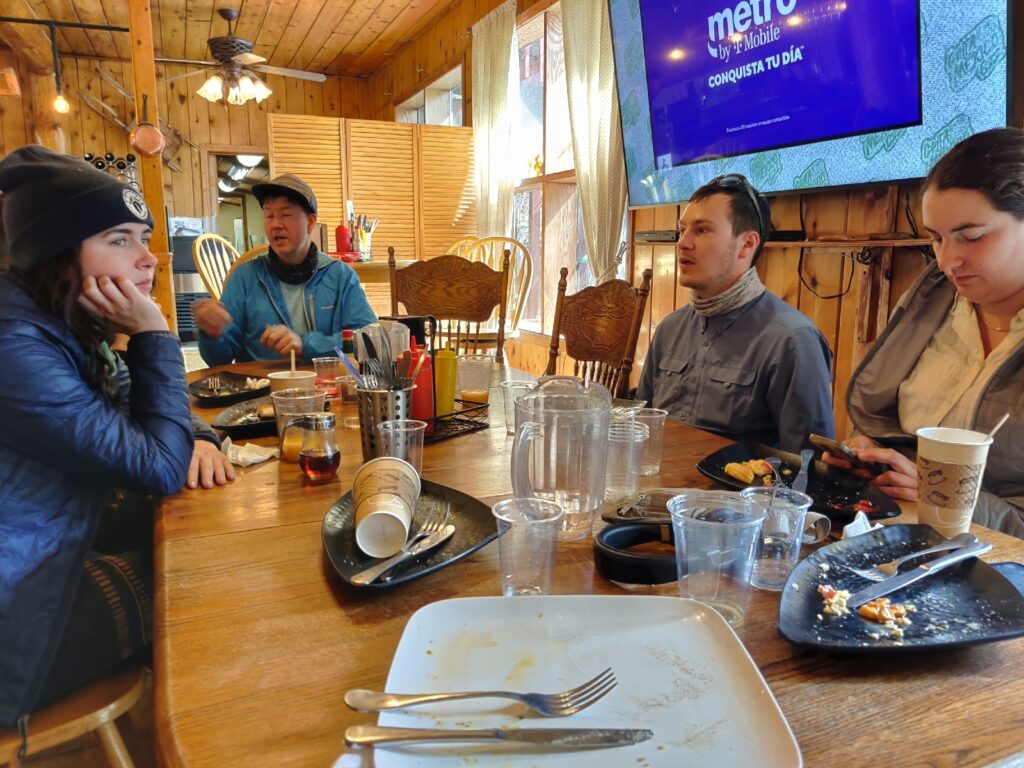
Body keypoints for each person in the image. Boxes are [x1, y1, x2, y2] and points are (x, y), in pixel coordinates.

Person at [0, 146, 234, 735]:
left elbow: (134, 397)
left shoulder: (59, 320)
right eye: (119, 239)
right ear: (57, 250)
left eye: (143, 237)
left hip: (49, 560)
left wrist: (200, 433)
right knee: (201, 585)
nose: (148, 259)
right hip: (17, 630)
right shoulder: (15, 346)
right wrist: (157, 332)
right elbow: (157, 464)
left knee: (199, 541)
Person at [832, 127, 1024, 539]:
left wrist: (943, 494)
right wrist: (870, 453)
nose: (947, 261)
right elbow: (886, 423)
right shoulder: (935, 299)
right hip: (896, 537)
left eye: (971, 237)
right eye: (936, 239)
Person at [636, 174, 835, 452]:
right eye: (682, 230)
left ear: (747, 244)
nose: (683, 243)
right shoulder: (670, 329)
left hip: (739, 495)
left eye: (702, 230)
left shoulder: (792, 341)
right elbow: (640, 430)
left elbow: (807, 469)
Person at [193, 174, 376, 365]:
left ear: (311, 222)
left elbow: (367, 339)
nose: (275, 225)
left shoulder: (340, 276)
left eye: (286, 215)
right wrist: (212, 334)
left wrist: (305, 345)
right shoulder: (245, 278)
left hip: (326, 388)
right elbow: (218, 360)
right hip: (264, 389)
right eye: (269, 215)